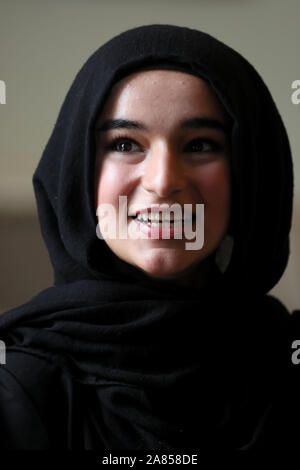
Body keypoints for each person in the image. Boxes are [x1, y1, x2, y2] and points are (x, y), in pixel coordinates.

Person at [0, 24, 299, 460]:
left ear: (248, 175)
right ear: (79, 174)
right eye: (125, 143)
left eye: (200, 144)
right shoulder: (17, 388)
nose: (163, 182)